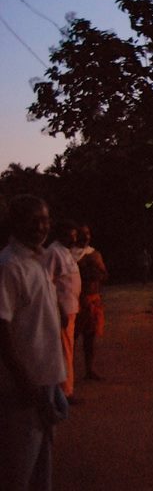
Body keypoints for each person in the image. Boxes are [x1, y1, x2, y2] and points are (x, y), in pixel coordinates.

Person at [0, 195, 68, 491]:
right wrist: (23, 379)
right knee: (18, 470)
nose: (42, 226)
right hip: (23, 386)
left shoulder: (37, 260)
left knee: (42, 468)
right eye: (35, 219)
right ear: (15, 222)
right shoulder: (9, 266)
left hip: (47, 380)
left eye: (46, 219)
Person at [43, 220, 81, 401]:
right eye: (70, 235)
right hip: (62, 310)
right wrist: (59, 309)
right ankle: (65, 391)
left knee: (68, 349)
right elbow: (48, 283)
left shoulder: (66, 252)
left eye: (74, 235)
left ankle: (66, 388)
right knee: (64, 351)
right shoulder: (53, 252)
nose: (73, 238)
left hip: (71, 308)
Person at [71, 225, 107, 380]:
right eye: (81, 234)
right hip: (75, 301)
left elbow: (104, 275)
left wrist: (95, 271)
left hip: (92, 300)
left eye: (87, 234)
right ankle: (67, 372)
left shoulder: (94, 253)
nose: (85, 237)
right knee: (71, 338)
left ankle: (89, 369)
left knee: (90, 337)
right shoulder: (68, 255)